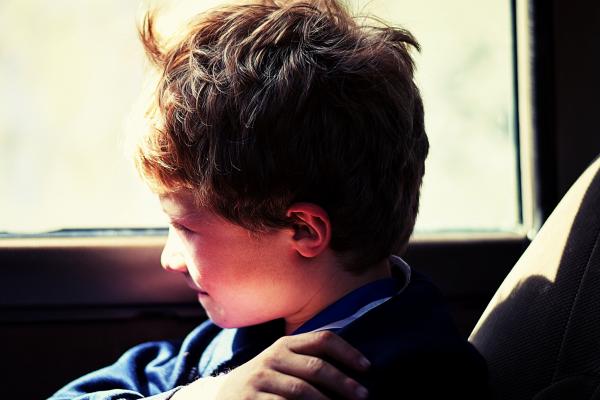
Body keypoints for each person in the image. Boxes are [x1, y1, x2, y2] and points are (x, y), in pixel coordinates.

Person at [49, 0, 489, 398]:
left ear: (303, 230)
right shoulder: (234, 339)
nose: (170, 260)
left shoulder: (422, 376)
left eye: (184, 227)